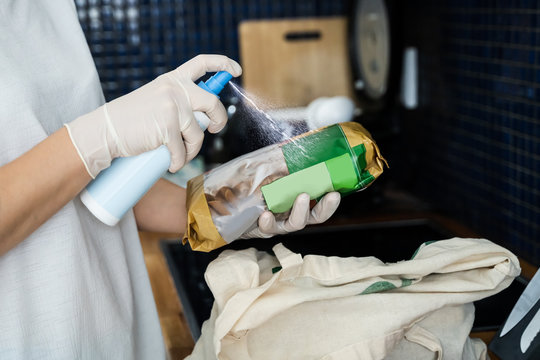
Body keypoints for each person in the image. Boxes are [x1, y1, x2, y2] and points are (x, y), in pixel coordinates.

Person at [0, 1, 341, 358]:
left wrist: (232, 205)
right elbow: (82, 152)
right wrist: (100, 134)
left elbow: (91, 190)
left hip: (112, 329)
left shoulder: (49, 8)